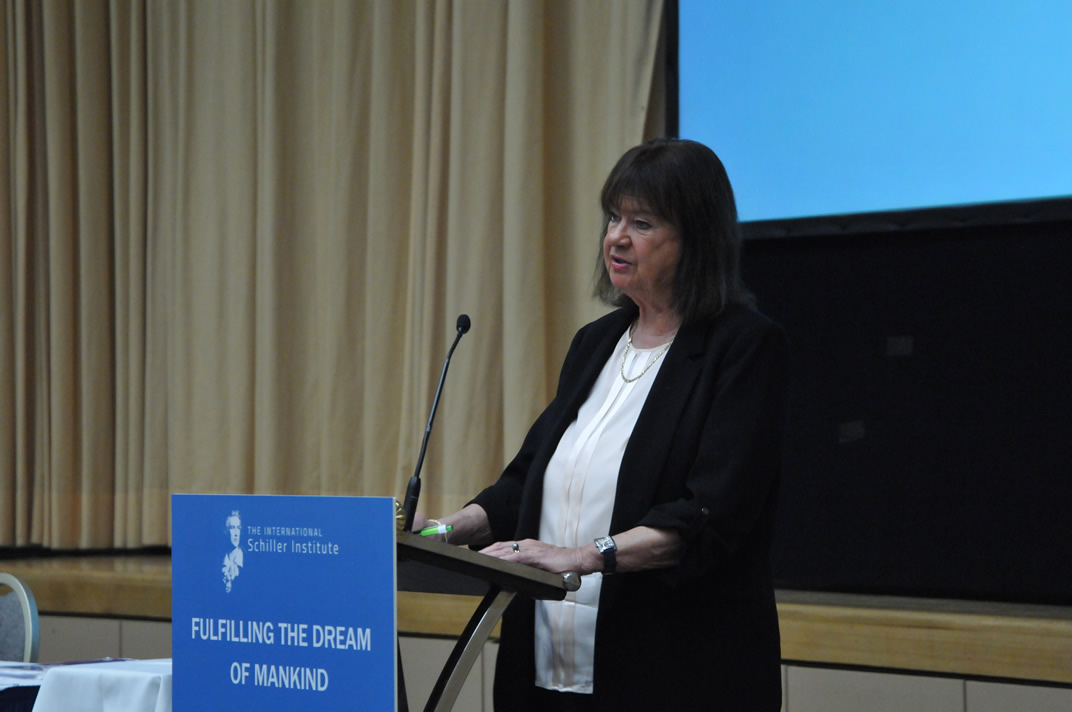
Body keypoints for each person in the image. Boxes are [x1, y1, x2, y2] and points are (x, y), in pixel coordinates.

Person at [416, 138, 788, 711]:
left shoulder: (743, 347)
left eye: (642, 223)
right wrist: (441, 531)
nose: (616, 237)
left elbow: (710, 515)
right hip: (546, 662)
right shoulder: (596, 343)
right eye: (614, 217)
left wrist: (583, 556)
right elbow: (527, 482)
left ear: (696, 238)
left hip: (673, 671)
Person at [223, 510, 244, 593]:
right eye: (232, 528)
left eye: (238, 528)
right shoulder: (218, 561)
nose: (236, 533)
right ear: (226, 531)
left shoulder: (247, 561)